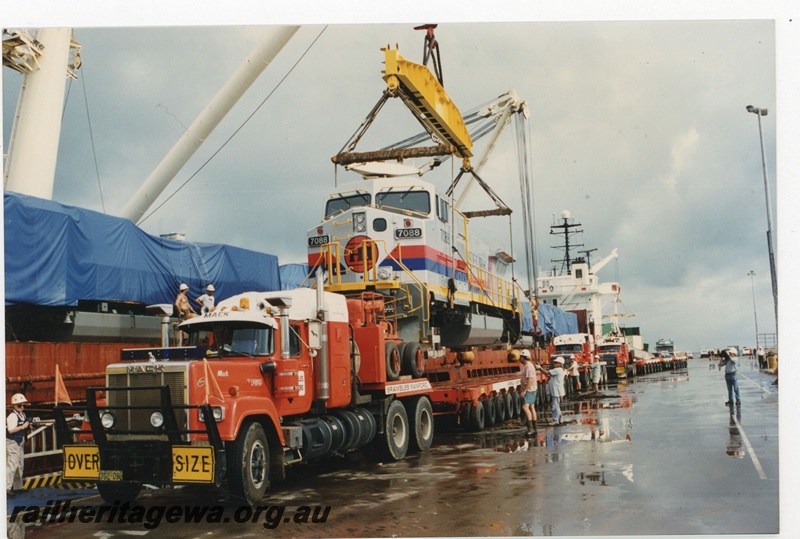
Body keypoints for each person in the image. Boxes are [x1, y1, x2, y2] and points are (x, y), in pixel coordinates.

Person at [6, 393, 30, 497]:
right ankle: (6, 487)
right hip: (12, 442)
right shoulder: (12, 416)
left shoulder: (22, 415)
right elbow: (11, 430)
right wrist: (23, 427)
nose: (21, 407)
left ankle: (18, 486)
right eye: (19, 405)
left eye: (22, 405)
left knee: (19, 465)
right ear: (14, 406)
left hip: (19, 442)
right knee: (12, 465)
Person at [518, 350, 538, 437]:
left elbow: (530, 379)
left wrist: (524, 390)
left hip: (529, 389)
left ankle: (530, 429)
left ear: (523, 357)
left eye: (520, 357)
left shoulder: (528, 366)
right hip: (532, 389)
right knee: (531, 407)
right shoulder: (528, 365)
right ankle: (534, 428)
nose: (519, 359)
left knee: (525, 407)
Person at [544, 357, 568, 425]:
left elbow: (547, 374)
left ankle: (555, 421)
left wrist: (540, 368)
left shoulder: (558, 370)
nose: (554, 363)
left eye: (556, 362)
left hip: (556, 390)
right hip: (557, 390)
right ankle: (560, 419)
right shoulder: (560, 370)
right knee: (557, 405)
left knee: (555, 406)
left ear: (560, 364)